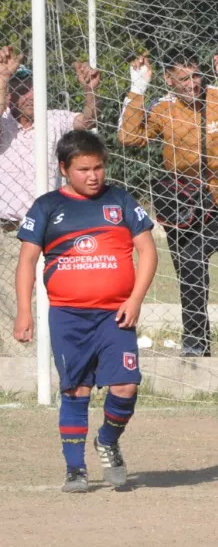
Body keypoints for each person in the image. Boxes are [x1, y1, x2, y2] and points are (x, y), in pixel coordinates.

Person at [12, 130, 157, 493]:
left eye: (98, 167)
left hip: (115, 315)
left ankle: (107, 439)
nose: (93, 176)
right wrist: (24, 312)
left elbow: (149, 252)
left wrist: (135, 299)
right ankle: (75, 470)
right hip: (68, 317)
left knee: (125, 386)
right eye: (83, 169)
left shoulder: (121, 201)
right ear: (64, 169)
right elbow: (27, 260)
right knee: (76, 390)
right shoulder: (47, 206)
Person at [118, 47, 218, 357]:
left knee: (202, 252)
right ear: (169, 80)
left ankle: (197, 340)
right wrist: (138, 89)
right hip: (181, 202)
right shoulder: (163, 108)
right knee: (190, 271)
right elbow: (128, 137)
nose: (193, 84)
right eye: (184, 78)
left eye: (197, 75)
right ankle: (196, 342)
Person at [1, 47, 100, 355]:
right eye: (20, 89)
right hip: (9, 231)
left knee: (51, 297)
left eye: (32, 88)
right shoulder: (4, 124)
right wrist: (4, 75)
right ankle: (20, 369)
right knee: (11, 303)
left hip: (49, 230)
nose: (28, 95)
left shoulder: (54, 119)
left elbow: (88, 119)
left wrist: (89, 91)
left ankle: (56, 358)